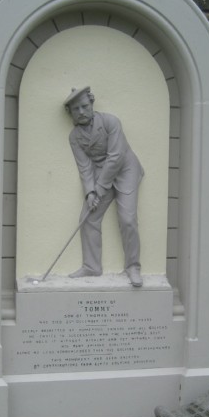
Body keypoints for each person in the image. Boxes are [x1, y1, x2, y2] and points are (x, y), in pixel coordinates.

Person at [64, 86, 144, 287]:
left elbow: (116, 157)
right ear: (71, 113)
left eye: (84, 106)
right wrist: (90, 192)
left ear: (91, 104)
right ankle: (91, 266)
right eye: (76, 109)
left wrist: (99, 188)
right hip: (101, 175)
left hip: (125, 170)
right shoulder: (74, 137)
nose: (81, 112)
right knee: (88, 217)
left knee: (127, 219)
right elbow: (85, 167)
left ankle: (133, 266)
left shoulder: (111, 122)